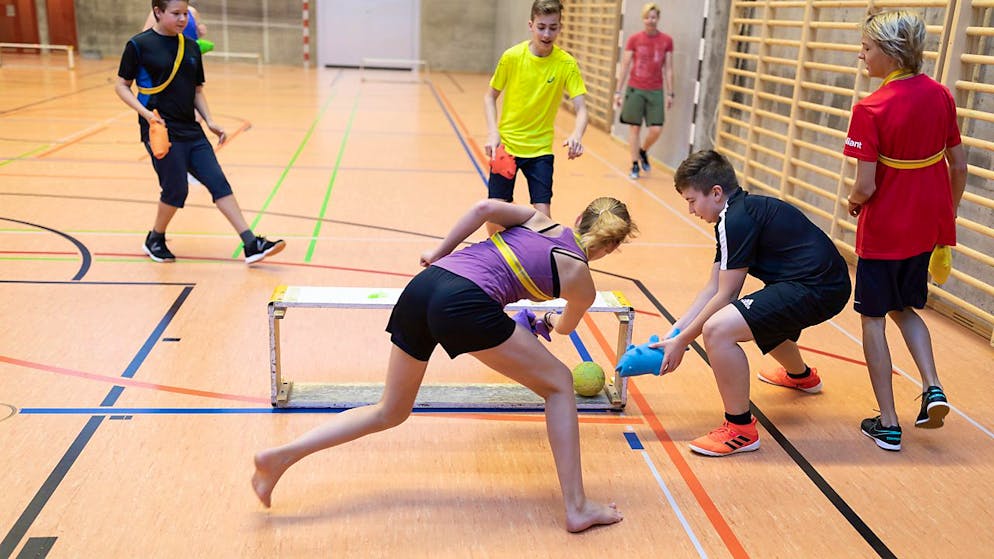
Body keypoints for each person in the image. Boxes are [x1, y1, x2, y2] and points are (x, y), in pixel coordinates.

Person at [252, 197, 638, 532]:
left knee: (389, 410)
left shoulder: (539, 219)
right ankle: (577, 507)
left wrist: (440, 251)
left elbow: (484, 210)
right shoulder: (581, 279)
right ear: (612, 245)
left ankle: (282, 456)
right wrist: (540, 320)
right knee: (558, 383)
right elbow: (564, 325)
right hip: (465, 304)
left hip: (426, 286)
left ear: (579, 220)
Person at [651, 150, 851, 457]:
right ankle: (802, 377)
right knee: (750, 315)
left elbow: (725, 296)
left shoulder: (736, 219)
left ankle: (740, 430)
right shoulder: (733, 214)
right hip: (818, 282)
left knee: (719, 329)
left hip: (818, 286)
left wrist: (683, 342)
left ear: (716, 193)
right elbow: (712, 287)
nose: (691, 210)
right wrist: (675, 332)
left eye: (692, 200)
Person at [844, 10, 966, 451]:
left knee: (873, 319)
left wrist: (855, 202)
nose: (862, 55)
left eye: (867, 48)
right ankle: (932, 385)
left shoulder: (871, 107)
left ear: (891, 52)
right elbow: (960, 166)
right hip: (924, 228)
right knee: (907, 308)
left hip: (884, 231)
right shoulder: (941, 96)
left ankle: (889, 422)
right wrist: (945, 215)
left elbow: (865, 184)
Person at [116, 0, 284, 264]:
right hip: (160, 129)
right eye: (176, 14)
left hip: (191, 130)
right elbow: (122, 86)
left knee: (218, 182)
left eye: (185, 14)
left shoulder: (191, 47)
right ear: (158, 12)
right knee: (176, 190)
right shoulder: (139, 45)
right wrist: (146, 115)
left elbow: (196, 91)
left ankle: (251, 243)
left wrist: (210, 120)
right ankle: (155, 238)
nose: (182, 19)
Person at [483, 0, 588, 234]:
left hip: (540, 150)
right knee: (496, 211)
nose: (547, 33)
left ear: (561, 27)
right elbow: (489, 97)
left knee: (543, 217)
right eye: (541, 27)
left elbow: (582, 109)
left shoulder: (566, 64)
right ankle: (498, 257)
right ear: (531, 25)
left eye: (553, 27)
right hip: (507, 146)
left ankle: (538, 264)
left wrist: (577, 134)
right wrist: (493, 133)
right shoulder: (512, 57)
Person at [613, 2, 675, 180]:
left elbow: (669, 69)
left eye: (654, 17)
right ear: (643, 19)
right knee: (634, 128)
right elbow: (624, 66)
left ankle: (643, 151)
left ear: (658, 18)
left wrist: (671, 93)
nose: (650, 20)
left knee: (656, 129)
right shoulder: (634, 39)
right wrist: (618, 92)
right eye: (647, 17)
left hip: (656, 89)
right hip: (635, 88)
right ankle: (634, 164)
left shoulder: (666, 41)